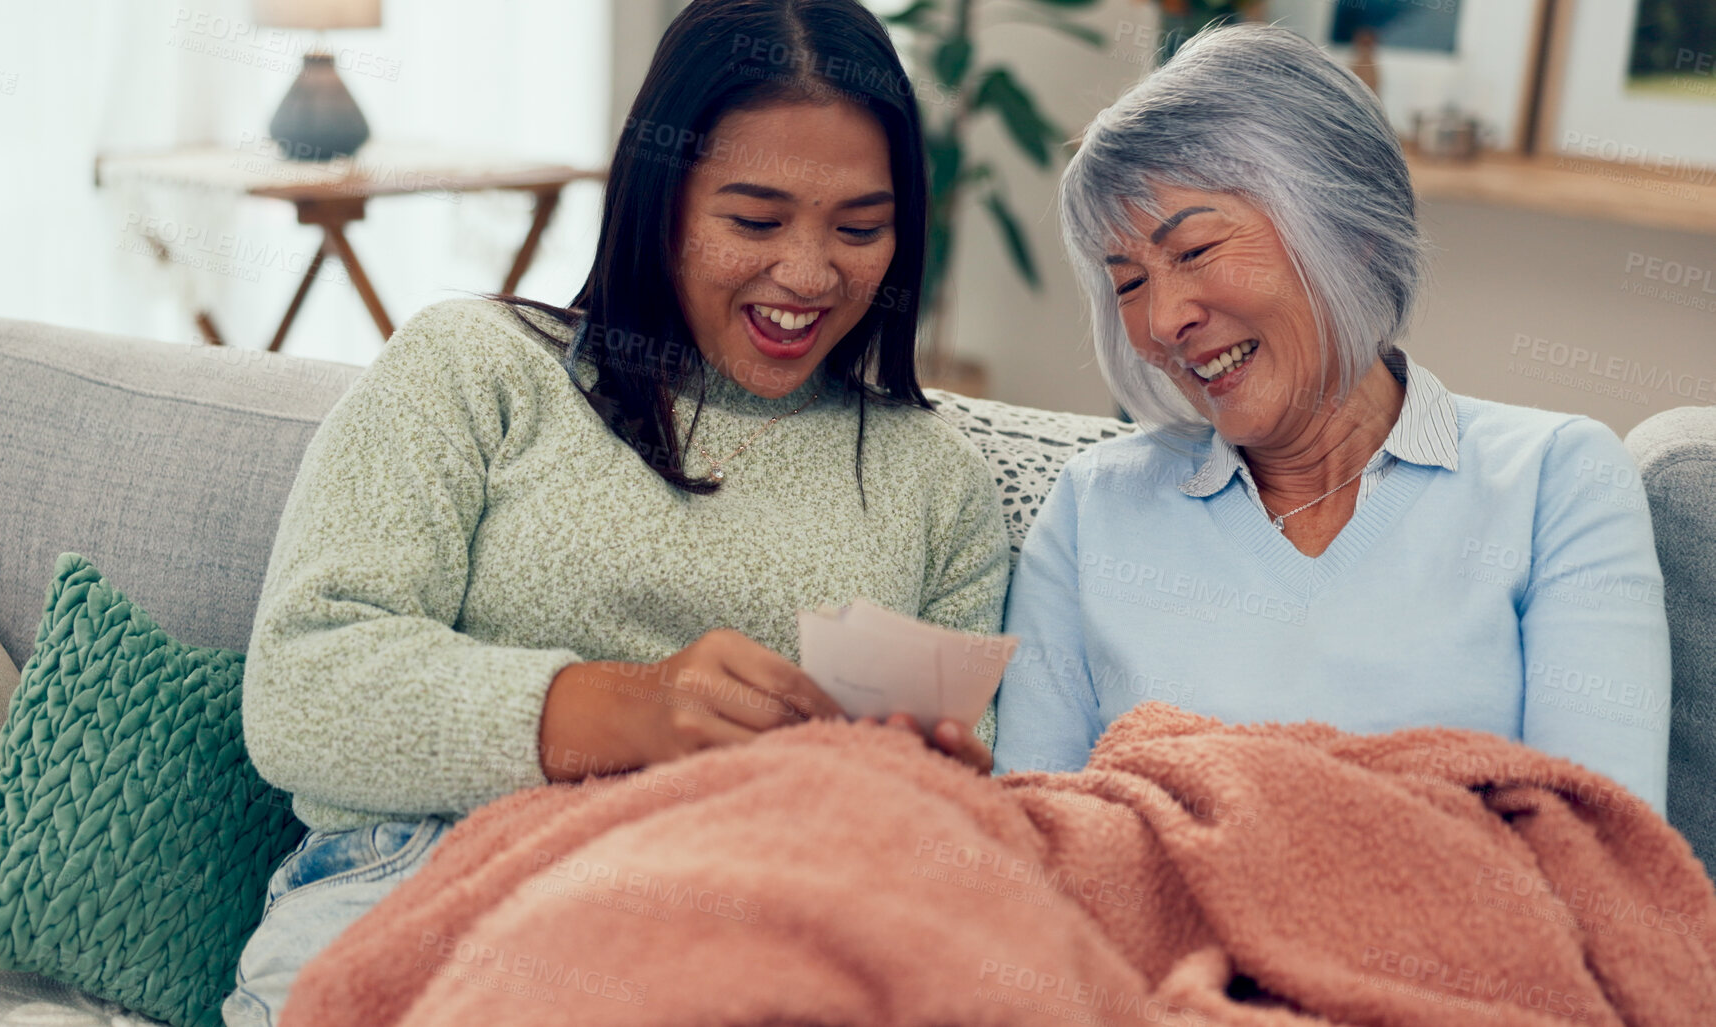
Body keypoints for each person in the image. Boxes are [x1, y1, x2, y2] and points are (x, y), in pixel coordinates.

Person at [221, 2, 1011, 1023]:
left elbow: (945, 835)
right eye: (756, 221)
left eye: (860, 227)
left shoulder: (933, 483)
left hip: (738, 939)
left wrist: (925, 795)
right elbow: (301, 689)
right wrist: (622, 711)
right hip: (414, 884)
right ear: (660, 200)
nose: (810, 275)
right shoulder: (478, 370)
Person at [991, 24, 1670, 812]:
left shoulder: (1556, 478)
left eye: (1196, 250)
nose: (1163, 318)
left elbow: (1605, 851)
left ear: (1346, 231)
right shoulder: (1092, 508)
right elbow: (1031, 845)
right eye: (1128, 283)